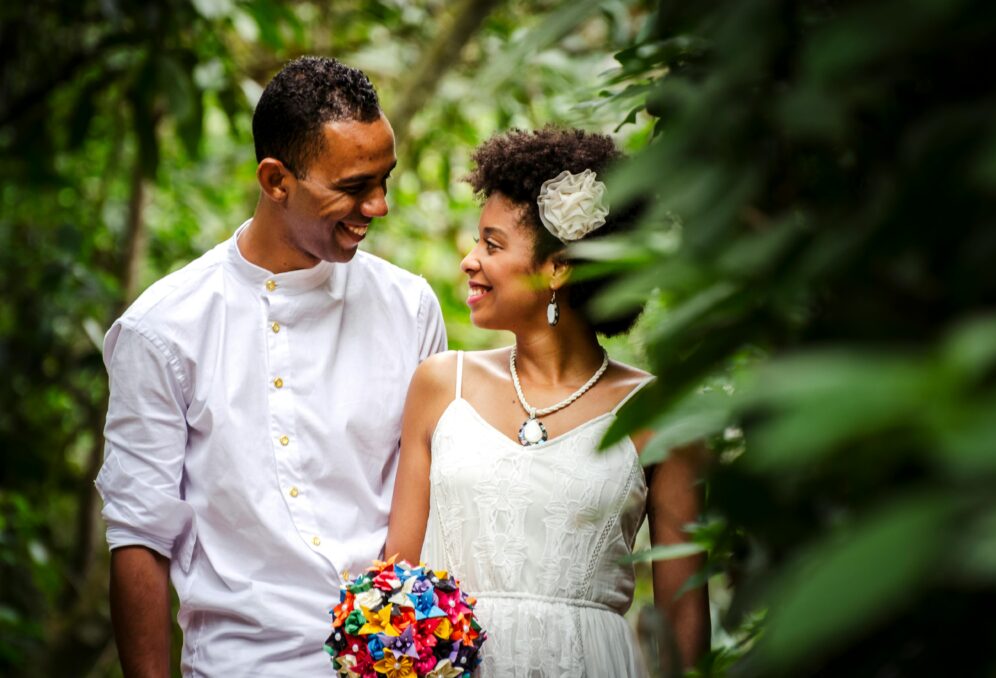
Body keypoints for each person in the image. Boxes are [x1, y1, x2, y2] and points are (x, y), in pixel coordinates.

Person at [95, 56, 446, 676]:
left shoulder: (410, 308)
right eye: (354, 187)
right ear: (276, 180)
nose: (379, 206)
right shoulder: (163, 328)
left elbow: (437, 500)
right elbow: (139, 537)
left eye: (385, 180)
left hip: (391, 666)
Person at [385, 128, 710, 676]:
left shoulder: (659, 415)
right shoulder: (440, 385)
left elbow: (684, 615)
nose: (469, 260)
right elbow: (397, 579)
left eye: (491, 245)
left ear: (557, 267)